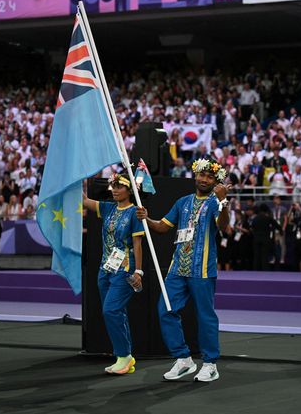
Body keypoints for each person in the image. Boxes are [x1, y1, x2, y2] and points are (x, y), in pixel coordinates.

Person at [136, 158, 230, 382]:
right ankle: (183, 359)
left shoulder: (216, 202)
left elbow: (224, 227)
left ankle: (210, 364)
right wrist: (146, 218)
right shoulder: (183, 202)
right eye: (201, 175)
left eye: (210, 177)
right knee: (165, 310)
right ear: (195, 176)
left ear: (216, 181)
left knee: (205, 317)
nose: (204, 179)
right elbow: (162, 227)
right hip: (177, 269)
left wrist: (224, 202)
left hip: (202, 269)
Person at [83, 174, 144, 375]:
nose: (115, 190)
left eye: (119, 186)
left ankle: (124, 355)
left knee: (110, 310)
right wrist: (77, 182)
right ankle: (124, 357)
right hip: (105, 269)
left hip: (125, 269)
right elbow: (84, 201)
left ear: (129, 190)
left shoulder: (135, 212)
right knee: (117, 312)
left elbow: (137, 244)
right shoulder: (109, 208)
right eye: (113, 186)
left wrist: (139, 271)